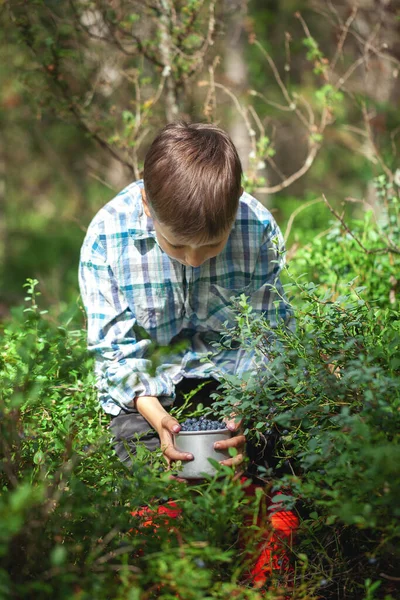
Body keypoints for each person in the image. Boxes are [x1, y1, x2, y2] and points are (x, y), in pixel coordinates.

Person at [79, 121, 293, 473]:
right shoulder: (107, 237)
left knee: (278, 425)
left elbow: (268, 337)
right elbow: (116, 353)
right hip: (153, 384)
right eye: (176, 245)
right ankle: (165, 509)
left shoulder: (257, 229)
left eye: (212, 245)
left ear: (237, 201)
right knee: (132, 436)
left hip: (235, 378)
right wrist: (160, 418)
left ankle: (262, 498)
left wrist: (244, 413)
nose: (194, 260)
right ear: (148, 205)